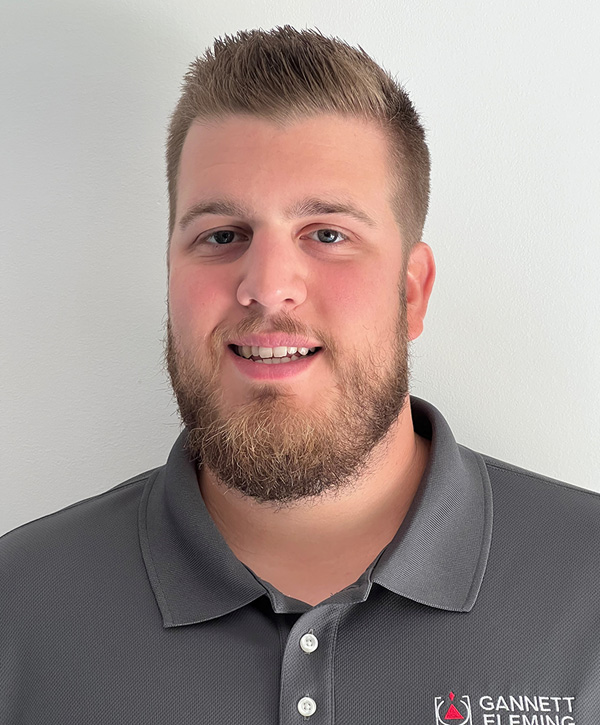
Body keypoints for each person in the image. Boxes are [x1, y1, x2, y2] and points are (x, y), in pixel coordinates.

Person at [1, 25, 599, 725]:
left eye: (327, 234)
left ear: (411, 293)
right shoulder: (18, 608)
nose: (267, 286)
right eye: (221, 235)